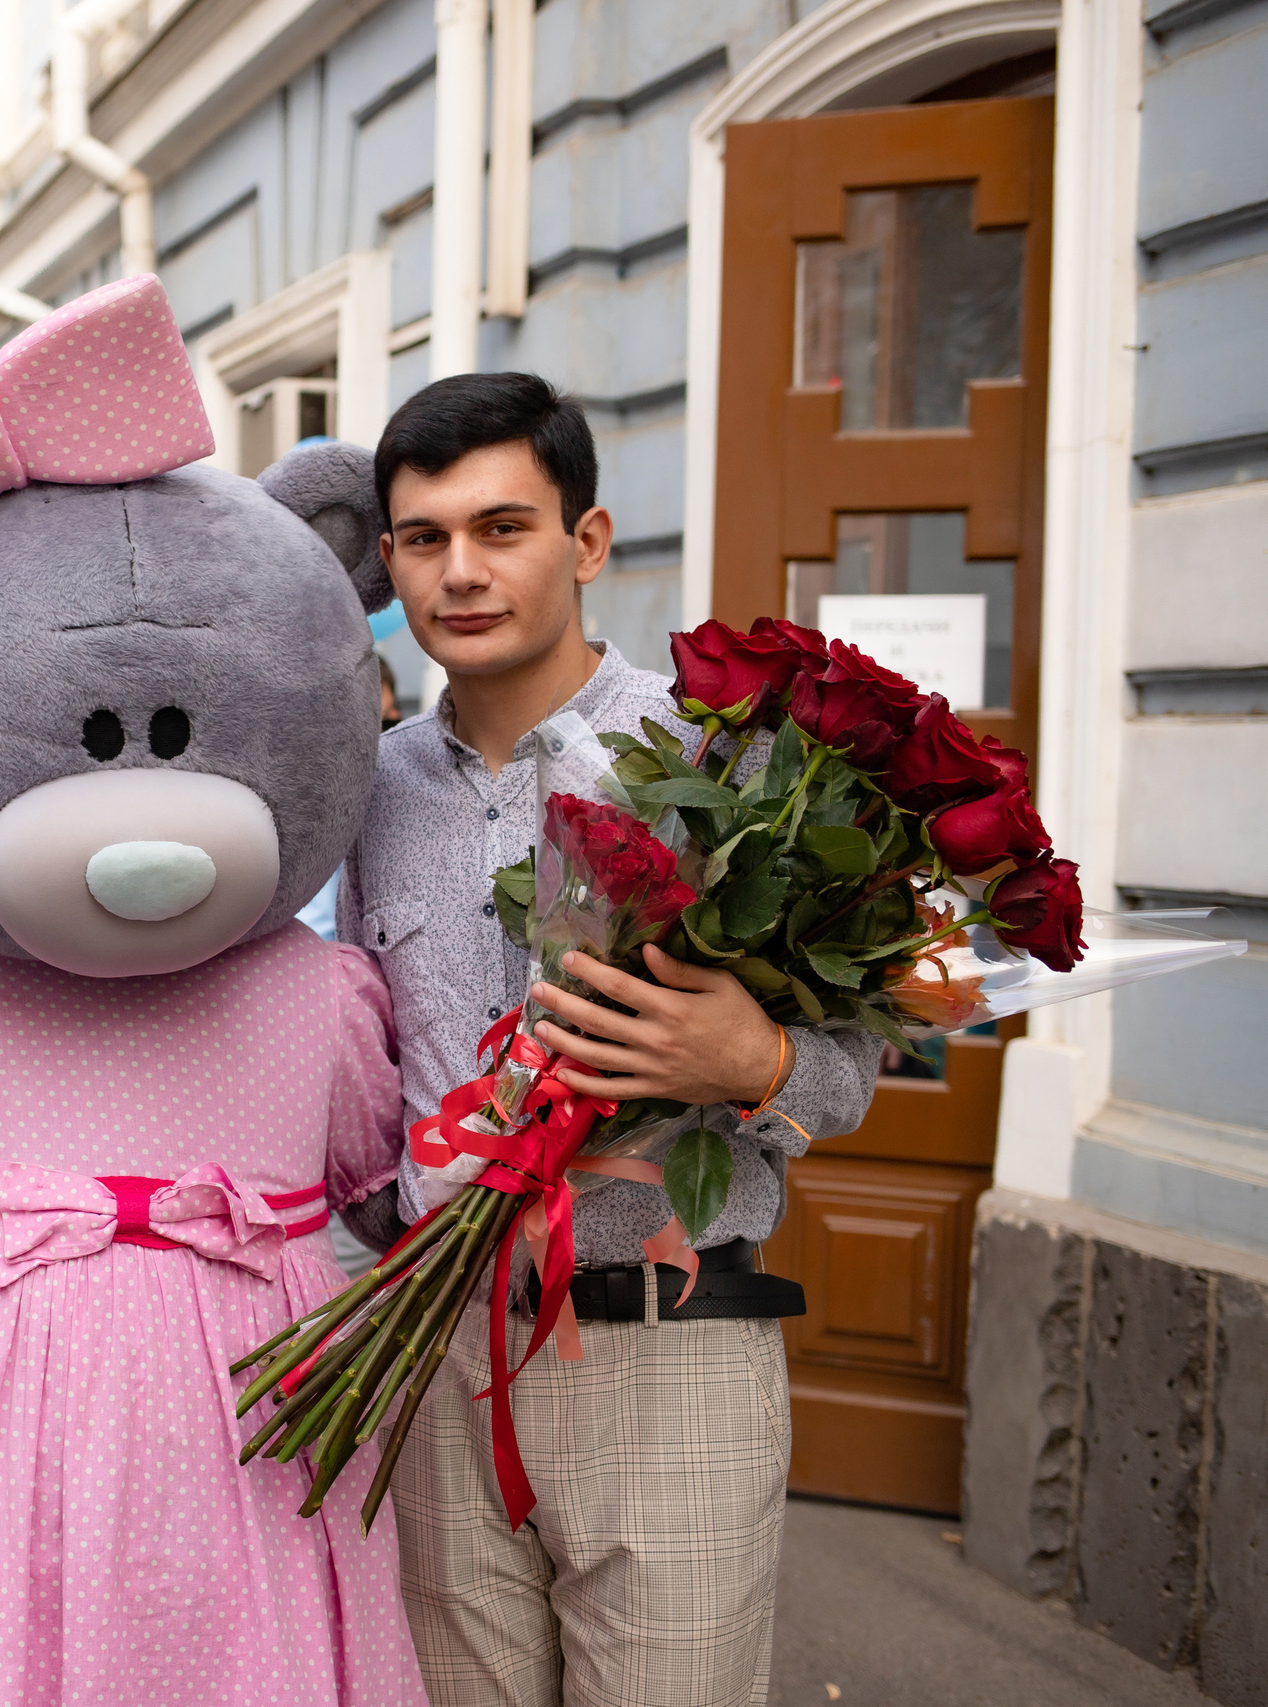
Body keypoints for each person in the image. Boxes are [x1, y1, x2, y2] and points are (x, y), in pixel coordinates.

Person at [339, 372, 882, 1707]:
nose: (459, 570)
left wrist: (750, 1061)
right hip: (437, 1350)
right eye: (423, 538)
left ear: (586, 540)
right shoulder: (366, 794)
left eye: (502, 526)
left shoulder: (726, 763)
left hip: (670, 1342)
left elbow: (855, 1071)